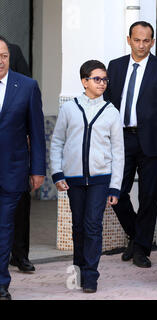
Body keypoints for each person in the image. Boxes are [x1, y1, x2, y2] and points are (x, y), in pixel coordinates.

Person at [104, 21, 157, 268]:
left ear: (152, 42)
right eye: (137, 40)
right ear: (129, 40)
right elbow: (106, 106)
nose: (141, 45)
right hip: (121, 140)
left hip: (153, 143)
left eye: (146, 40)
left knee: (149, 196)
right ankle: (137, 235)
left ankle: (141, 250)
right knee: (116, 191)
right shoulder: (114, 67)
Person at [50, 60, 124, 293]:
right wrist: (57, 172)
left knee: (93, 225)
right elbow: (57, 142)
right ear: (84, 81)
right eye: (97, 79)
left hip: (100, 179)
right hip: (73, 179)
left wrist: (115, 187)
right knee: (78, 226)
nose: (102, 83)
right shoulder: (69, 109)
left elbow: (118, 152)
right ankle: (78, 269)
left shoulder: (111, 112)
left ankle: (91, 275)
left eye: (105, 79)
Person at [0, 36, 46, 300]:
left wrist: (37, 170)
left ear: (10, 57)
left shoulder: (27, 86)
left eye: (4, 55)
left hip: (13, 171)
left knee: (5, 227)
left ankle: (2, 284)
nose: (0, 60)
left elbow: (37, 133)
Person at [0, 36, 35, 273]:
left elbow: (24, 90)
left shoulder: (14, 49)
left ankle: (20, 254)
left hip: (13, 157)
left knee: (18, 210)